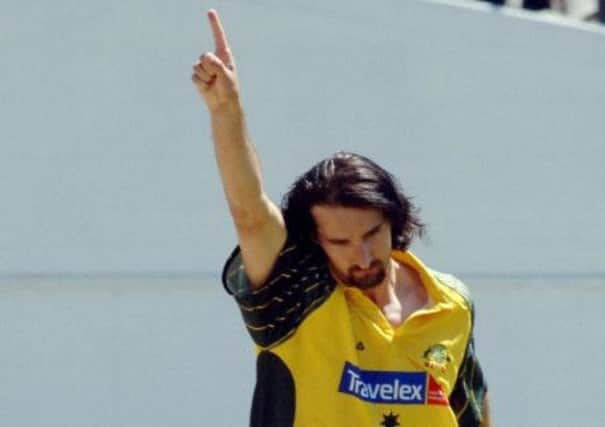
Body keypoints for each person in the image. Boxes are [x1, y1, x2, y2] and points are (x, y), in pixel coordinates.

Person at [192, 9, 491, 427]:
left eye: (373, 233)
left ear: (395, 220)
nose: (364, 254)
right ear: (315, 241)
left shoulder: (451, 302)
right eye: (341, 242)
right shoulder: (296, 296)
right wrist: (226, 109)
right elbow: (252, 215)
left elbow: (473, 414)